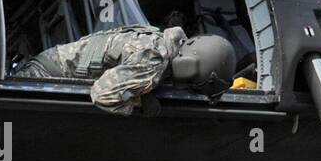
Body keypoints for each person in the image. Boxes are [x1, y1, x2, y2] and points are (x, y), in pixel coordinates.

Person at [15, 26, 236, 115]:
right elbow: (103, 95)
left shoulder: (159, 44)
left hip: (49, 70)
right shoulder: (153, 59)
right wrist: (141, 103)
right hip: (42, 78)